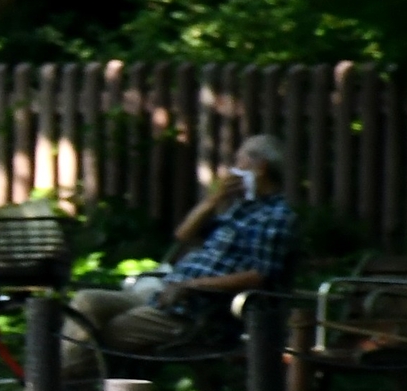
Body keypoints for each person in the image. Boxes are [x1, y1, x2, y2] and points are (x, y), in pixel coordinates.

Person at [70, 134, 296, 358]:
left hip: (197, 313)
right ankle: (63, 383)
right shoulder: (240, 208)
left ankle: (59, 385)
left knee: (104, 334)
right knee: (86, 302)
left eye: (239, 161)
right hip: (165, 294)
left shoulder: (276, 216)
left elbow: (260, 276)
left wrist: (192, 285)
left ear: (260, 167)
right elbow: (183, 235)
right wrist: (212, 201)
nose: (233, 169)